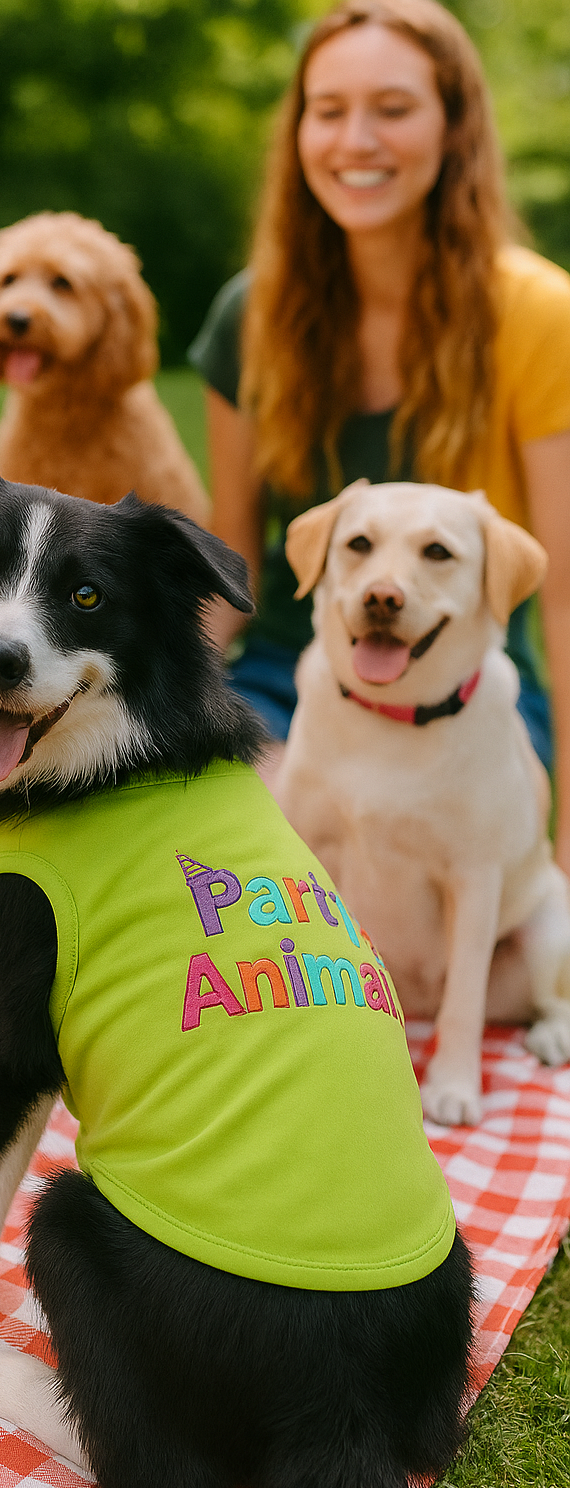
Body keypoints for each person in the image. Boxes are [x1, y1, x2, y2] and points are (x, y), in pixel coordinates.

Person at [190, 0, 570, 871]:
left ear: (454, 127)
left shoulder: (540, 317)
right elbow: (231, 566)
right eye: (328, 111)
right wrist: (149, 714)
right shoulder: (253, 314)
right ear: (299, 132)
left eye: (393, 109)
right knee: (228, 845)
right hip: (290, 676)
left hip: (468, 690)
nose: (356, 140)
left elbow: (564, 601)